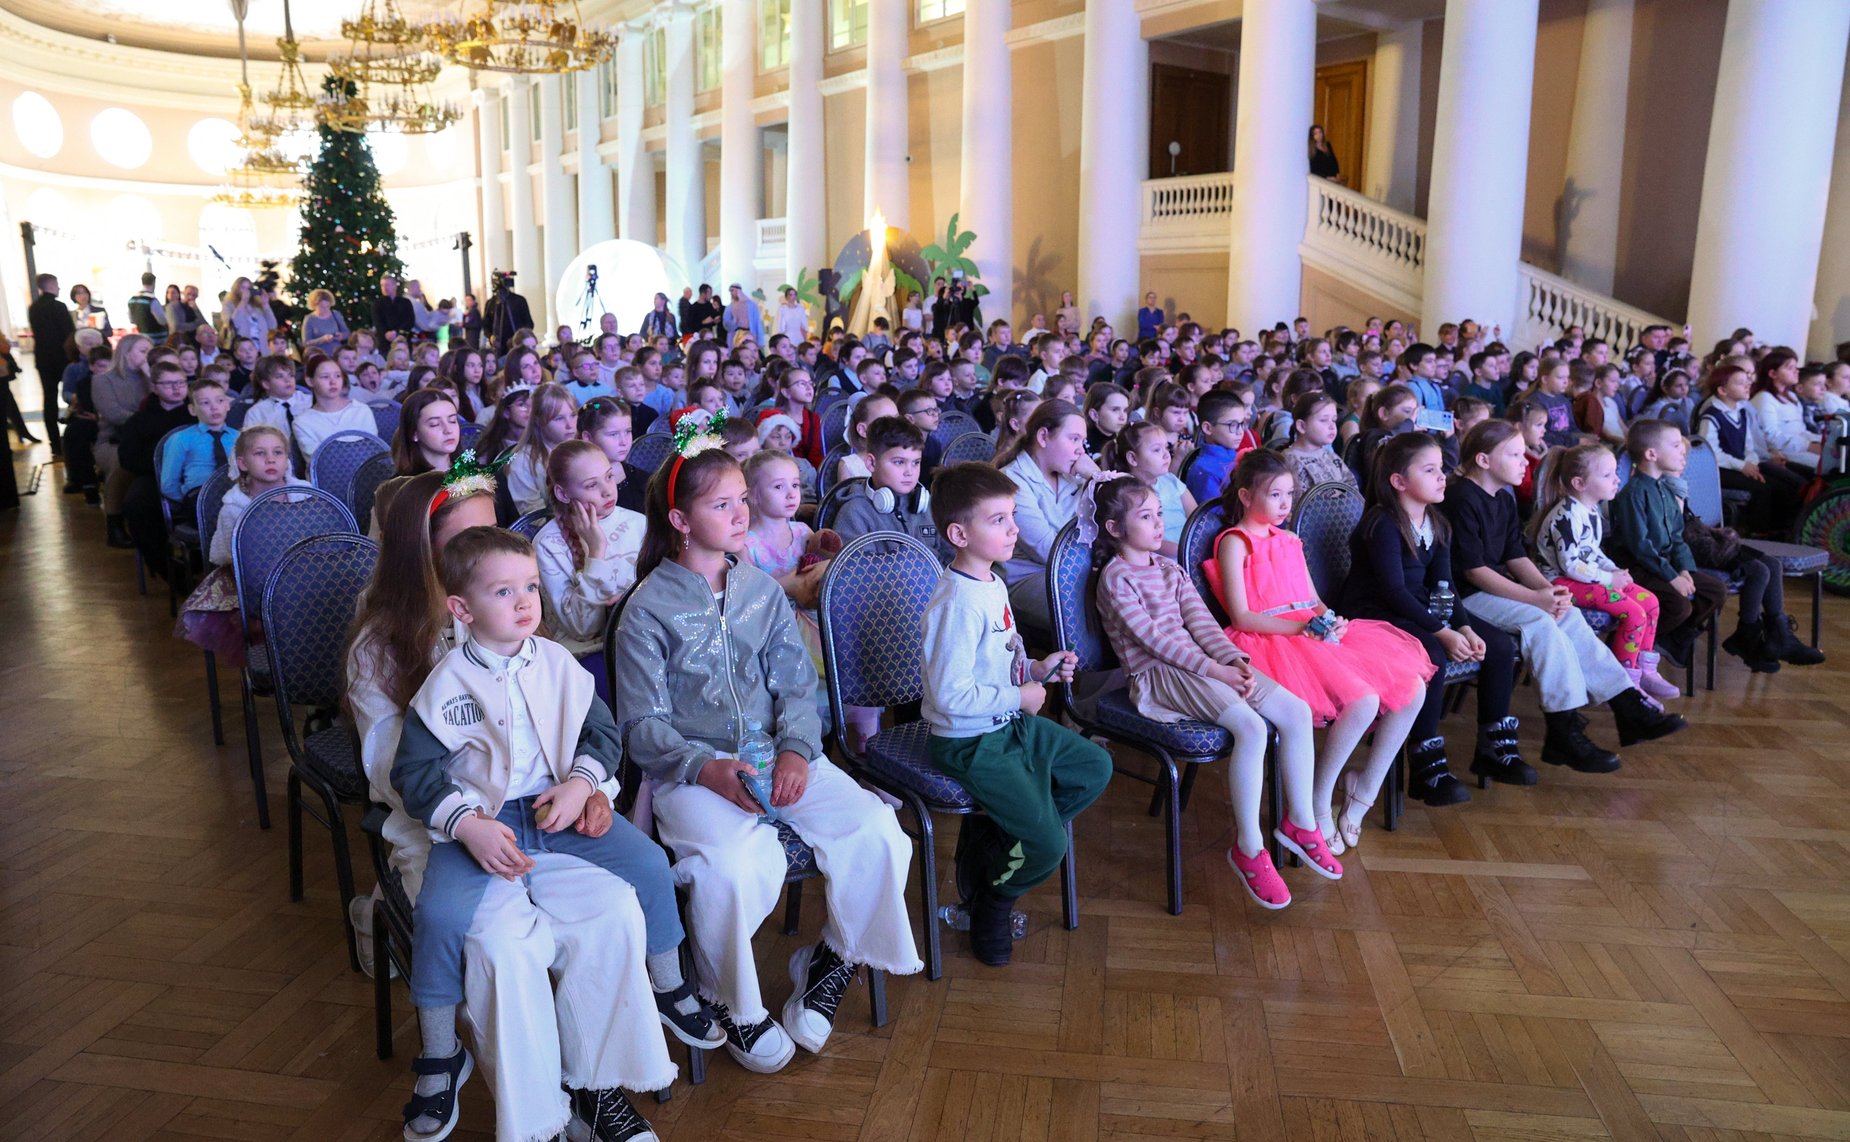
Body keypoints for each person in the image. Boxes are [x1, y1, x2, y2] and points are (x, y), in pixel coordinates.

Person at [612, 434, 923, 1072]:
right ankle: (732, 1001)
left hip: (781, 756)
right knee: (730, 866)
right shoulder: (646, 610)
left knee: (879, 831)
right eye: (721, 504)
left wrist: (799, 752)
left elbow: (797, 688)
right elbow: (642, 726)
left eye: (740, 500)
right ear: (680, 520)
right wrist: (706, 768)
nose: (741, 513)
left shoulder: (761, 590)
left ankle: (834, 957)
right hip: (691, 773)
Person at [1088, 473, 1333, 908]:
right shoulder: (1116, 578)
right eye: (1145, 516)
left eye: (1159, 513)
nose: (1158, 523)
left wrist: (1235, 661)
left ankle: (1300, 820)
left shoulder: (1170, 569)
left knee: (1295, 712)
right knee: (1252, 729)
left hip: (1203, 667)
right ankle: (1249, 848)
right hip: (1158, 676)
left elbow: (1201, 624)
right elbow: (1153, 642)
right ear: (1114, 528)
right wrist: (1215, 671)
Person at [920, 462, 1113, 959]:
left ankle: (1004, 835)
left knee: (1094, 767)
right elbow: (949, 696)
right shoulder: (957, 603)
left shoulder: (991, 581)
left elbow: (999, 661)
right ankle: (992, 901)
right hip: (968, 742)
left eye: (1012, 516)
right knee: (1048, 845)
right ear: (959, 534)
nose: (1014, 529)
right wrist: (1020, 698)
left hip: (1006, 723)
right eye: (998, 520)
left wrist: (1035, 668)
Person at [1210, 450, 1431, 850]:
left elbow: (1312, 600)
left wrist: (1331, 621)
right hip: (1268, 641)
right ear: (1245, 496)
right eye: (1274, 494)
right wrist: (1302, 629)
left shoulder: (1290, 540)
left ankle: (1363, 794)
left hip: (1307, 633)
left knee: (1413, 687)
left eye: (1289, 495)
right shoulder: (1235, 542)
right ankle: (1317, 800)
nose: (1284, 504)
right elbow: (1242, 616)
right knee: (1362, 700)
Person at [1445, 420, 1685, 773]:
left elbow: (1515, 556)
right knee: (1540, 621)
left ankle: (1627, 706)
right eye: (1514, 455)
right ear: (1483, 460)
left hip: (1494, 588)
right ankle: (1564, 728)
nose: (1525, 462)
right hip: (1463, 597)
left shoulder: (1502, 497)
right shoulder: (1460, 498)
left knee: (1566, 613)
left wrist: (1546, 590)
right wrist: (1535, 600)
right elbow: (1474, 571)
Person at [1610, 419, 1820, 673]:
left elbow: (1677, 538)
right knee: (1679, 606)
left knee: (1715, 591)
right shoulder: (1634, 493)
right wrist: (1673, 577)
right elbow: (1641, 547)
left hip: (1665, 563)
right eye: (1675, 445)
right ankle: (1629, 647)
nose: (1682, 451)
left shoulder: (1664, 490)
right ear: (1651, 454)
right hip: (1639, 566)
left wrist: (1685, 569)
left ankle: (1674, 639)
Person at [1529, 443, 1678, 703]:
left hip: (1586, 576)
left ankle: (1644, 670)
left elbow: (1593, 552)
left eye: (1615, 473)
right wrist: (1609, 579)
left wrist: (1613, 569)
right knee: (1633, 612)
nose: (1617, 479)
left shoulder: (1591, 509)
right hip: (1560, 582)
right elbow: (1571, 565)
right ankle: (1626, 683)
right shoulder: (1565, 516)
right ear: (1579, 483)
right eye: (1607, 475)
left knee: (1651, 603)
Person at [532, 439, 646, 702]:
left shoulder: (639, 523)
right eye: (592, 485)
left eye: (609, 477)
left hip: (638, 640)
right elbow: (582, 628)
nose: (607, 491)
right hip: (586, 653)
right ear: (563, 494)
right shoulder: (548, 543)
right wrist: (596, 551)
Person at [995, 399, 1092, 633]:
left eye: (1083, 442)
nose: (1081, 451)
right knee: (1095, 602)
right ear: (1043, 437)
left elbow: (1119, 522)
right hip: (1027, 578)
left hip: (1074, 571)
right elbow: (1047, 549)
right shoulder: (1012, 480)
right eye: (1074, 439)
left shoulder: (1076, 476)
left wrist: (1097, 478)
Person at [1698, 362, 1806, 534]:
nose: (1748, 385)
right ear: (1723, 390)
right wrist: (1743, 466)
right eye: (1740, 383)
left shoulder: (1741, 412)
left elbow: (1748, 445)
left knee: (1789, 484)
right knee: (1764, 489)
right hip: (1721, 470)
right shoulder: (1712, 417)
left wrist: (1751, 463)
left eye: (1747, 381)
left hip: (1743, 464)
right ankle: (1758, 532)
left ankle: (1784, 529)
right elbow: (1711, 454)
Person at [1102, 421, 1194, 557]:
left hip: (1190, 550)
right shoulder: (1128, 493)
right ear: (1133, 458)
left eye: (1166, 447)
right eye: (1157, 450)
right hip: (1164, 558)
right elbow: (1143, 540)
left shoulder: (1171, 481)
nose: (1166, 455)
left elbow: (1196, 516)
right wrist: (1185, 550)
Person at [158, 376, 236, 515]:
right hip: (199, 497)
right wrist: (188, 501)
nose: (214, 407)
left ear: (227, 405)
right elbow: (168, 484)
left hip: (236, 495)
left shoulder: (241, 438)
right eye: (205, 403)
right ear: (192, 409)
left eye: (220, 400)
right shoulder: (181, 438)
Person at [506, 382, 580, 516]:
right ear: (539, 421)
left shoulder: (581, 451)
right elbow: (534, 517)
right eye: (559, 418)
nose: (570, 425)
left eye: (573, 415)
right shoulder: (522, 462)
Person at [291, 352, 375, 462]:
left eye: (338, 376)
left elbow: (373, 452)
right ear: (310, 381)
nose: (333, 382)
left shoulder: (361, 410)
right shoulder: (303, 422)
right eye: (325, 377)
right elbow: (319, 462)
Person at [27, 273, 75, 455]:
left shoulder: (33, 308)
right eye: (57, 284)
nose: (59, 287)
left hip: (43, 359)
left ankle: (54, 442)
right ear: (52, 285)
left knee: (49, 399)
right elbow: (68, 334)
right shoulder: (59, 307)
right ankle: (73, 433)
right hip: (62, 358)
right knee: (74, 393)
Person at [1280, 392, 1355, 502]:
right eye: (1324, 420)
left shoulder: (1330, 455)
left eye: (1334, 420)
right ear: (1302, 426)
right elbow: (1296, 503)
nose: (1332, 426)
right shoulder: (1290, 460)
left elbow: (1352, 488)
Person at [481, 274, 535, 354]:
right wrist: (490, 336)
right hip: (498, 346)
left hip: (518, 344)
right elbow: (485, 325)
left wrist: (522, 337)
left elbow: (529, 323)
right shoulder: (491, 303)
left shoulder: (519, 300)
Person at [302, 289, 350, 357]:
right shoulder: (309, 319)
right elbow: (306, 343)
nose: (326, 309)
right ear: (314, 305)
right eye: (322, 307)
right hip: (320, 355)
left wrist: (341, 336)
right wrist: (322, 339)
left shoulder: (335, 314)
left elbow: (347, 333)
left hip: (338, 354)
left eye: (328, 306)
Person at [127, 272, 166, 337]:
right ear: (154, 282)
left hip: (142, 336)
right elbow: (162, 321)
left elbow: (132, 320)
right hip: (156, 338)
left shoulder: (132, 300)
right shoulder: (152, 300)